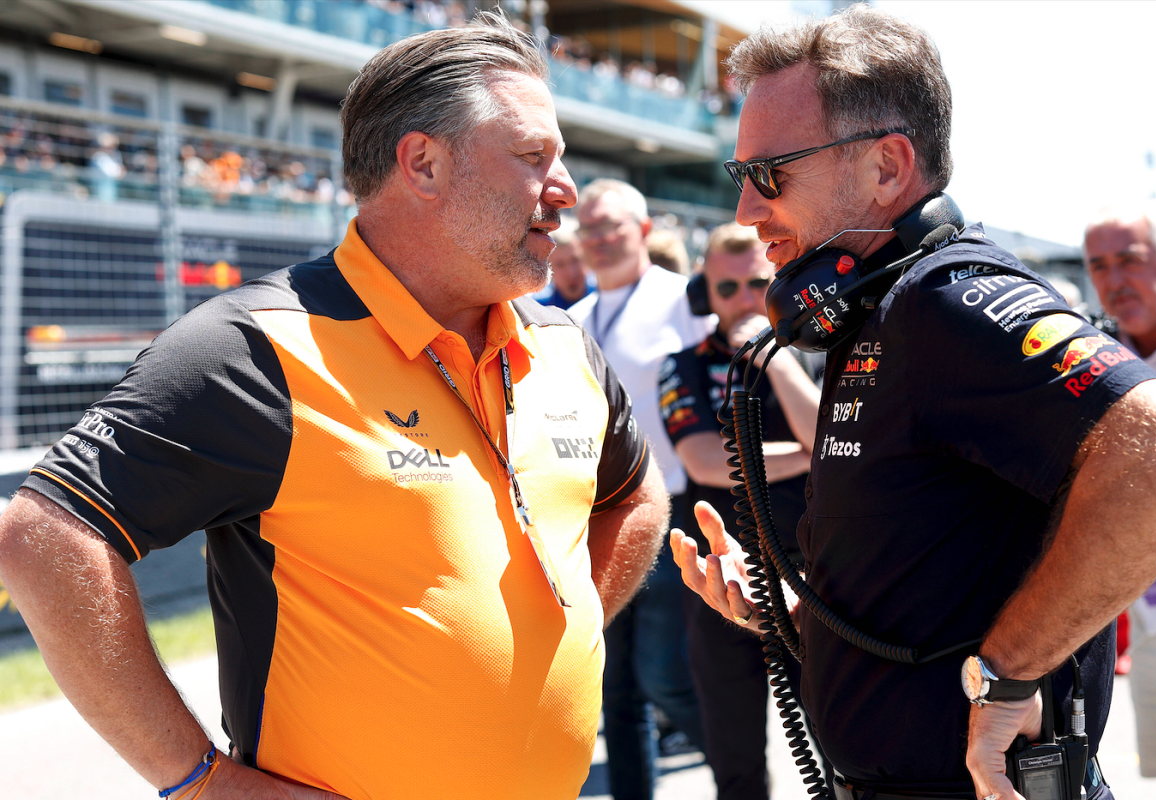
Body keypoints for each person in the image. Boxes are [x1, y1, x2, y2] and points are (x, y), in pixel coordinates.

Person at [0, 15, 669, 800]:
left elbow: (637, 497)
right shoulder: (259, 347)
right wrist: (201, 781)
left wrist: (564, 635)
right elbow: (43, 538)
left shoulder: (565, 344)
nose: (566, 190)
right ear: (423, 163)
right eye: (533, 157)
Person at [669, 6, 1156, 800]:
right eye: (738, 176)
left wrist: (1008, 674)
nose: (746, 211)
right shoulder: (872, 311)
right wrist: (789, 611)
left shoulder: (947, 299)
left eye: (770, 174)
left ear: (887, 167)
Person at [659, 222, 820, 800]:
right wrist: (807, 454)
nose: (744, 300)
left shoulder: (813, 357)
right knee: (735, 759)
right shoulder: (681, 364)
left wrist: (775, 361)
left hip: (811, 575)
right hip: (719, 578)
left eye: (756, 284)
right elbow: (706, 461)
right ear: (705, 295)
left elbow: (828, 439)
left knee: (841, 747)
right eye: (727, 289)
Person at [568, 178, 710, 800]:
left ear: (645, 231)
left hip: (670, 510)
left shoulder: (682, 300)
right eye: (588, 228)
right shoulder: (572, 319)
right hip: (593, 517)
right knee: (615, 690)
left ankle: (739, 770)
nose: (598, 239)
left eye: (611, 226)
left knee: (664, 678)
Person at [1084, 210, 1156, 800]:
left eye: (1129, 260)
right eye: (1099, 266)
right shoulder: (1092, 344)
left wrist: (1152, 402)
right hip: (1150, 613)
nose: (1114, 281)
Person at [535, 224, 594, 309]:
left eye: (575, 260)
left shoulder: (606, 295)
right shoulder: (539, 308)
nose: (571, 272)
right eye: (560, 265)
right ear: (546, 268)